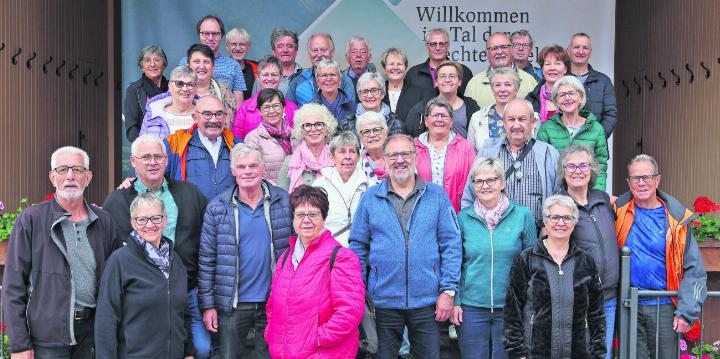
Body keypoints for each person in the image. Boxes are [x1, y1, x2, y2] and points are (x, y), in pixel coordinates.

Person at [349, 134, 462, 358]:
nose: (399, 160)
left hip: (427, 302)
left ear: (415, 156)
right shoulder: (371, 198)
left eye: (405, 154)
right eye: (393, 155)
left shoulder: (436, 195)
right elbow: (358, 247)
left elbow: (451, 244)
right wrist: (359, 290)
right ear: (385, 159)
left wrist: (448, 291)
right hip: (383, 302)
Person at [3, 146, 120, 358]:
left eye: (77, 169)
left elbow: (115, 283)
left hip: (91, 336)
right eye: (62, 169)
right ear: (52, 177)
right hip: (47, 338)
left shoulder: (105, 222)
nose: (70, 176)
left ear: (88, 177)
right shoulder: (32, 220)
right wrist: (20, 344)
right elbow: (13, 286)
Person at [102, 135, 210, 358]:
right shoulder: (117, 201)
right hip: (138, 296)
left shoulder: (190, 195)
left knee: (200, 348)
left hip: (184, 290)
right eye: (146, 157)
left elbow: (207, 243)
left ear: (166, 160)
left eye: (158, 156)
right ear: (133, 161)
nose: (153, 162)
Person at [198, 143, 292, 358]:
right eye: (241, 167)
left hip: (274, 302)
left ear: (262, 169)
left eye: (252, 166)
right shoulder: (217, 207)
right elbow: (206, 260)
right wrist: (208, 305)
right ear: (233, 171)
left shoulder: (283, 202)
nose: (247, 171)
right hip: (233, 304)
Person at [615, 154, 707, 359]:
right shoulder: (618, 212)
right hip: (628, 305)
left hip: (665, 307)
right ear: (628, 183)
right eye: (635, 178)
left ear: (657, 180)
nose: (641, 183)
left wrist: (686, 312)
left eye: (647, 177)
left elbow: (694, 271)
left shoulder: (677, 220)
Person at [265, 185, 365, 358]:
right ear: (293, 219)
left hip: (322, 353)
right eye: (300, 215)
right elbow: (272, 305)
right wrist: (272, 334)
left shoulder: (341, 258)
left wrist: (315, 339)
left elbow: (349, 312)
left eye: (313, 214)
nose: (306, 220)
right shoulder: (285, 258)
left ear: (324, 218)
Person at [451, 157, 536, 359]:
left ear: (502, 183)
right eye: (479, 181)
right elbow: (455, 263)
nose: (485, 186)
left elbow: (532, 264)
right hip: (471, 308)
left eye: (491, 180)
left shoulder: (522, 215)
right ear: (473, 185)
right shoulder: (463, 218)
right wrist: (456, 301)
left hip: (510, 307)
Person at [504, 194, 606, 358]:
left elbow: (596, 314)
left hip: (578, 353)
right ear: (545, 221)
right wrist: (518, 354)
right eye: (555, 217)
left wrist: (597, 354)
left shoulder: (586, 262)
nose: (561, 223)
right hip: (535, 353)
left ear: (574, 222)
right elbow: (512, 312)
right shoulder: (527, 259)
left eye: (567, 218)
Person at [95, 193, 193, 359]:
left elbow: (184, 312)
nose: (150, 225)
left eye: (155, 218)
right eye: (142, 220)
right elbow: (106, 321)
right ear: (133, 223)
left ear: (165, 220)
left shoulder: (176, 261)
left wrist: (188, 352)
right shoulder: (119, 261)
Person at [556, 144, 619, 359]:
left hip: (608, 297)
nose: (577, 171)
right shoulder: (559, 206)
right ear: (563, 171)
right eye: (571, 166)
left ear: (591, 169)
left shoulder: (603, 199)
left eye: (583, 165)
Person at [461, 98, 559, 227]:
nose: (516, 125)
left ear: (533, 122)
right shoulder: (488, 151)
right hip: (495, 238)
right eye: (511, 119)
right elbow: (470, 195)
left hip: (537, 237)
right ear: (503, 122)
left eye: (522, 119)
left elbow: (559, 199)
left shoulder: (549, 154)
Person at [536, 75, 609, 190]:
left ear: (580, 97)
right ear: (556, 101)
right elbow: (540, 163)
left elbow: (601, 164)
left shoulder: (596, 128)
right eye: (562, 95)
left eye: (571, 93)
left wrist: (597, 193)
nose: (567, 98)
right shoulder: (546, 128)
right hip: (556, 193)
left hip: (587, 193)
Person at [164, 96, 239, 200]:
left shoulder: (237, 145)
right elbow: (157, 181)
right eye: (207, 114)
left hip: (229, 214)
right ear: (195, 117)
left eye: (219, 114)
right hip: (193, 214)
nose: (214, 120)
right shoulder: (175, 143)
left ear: (226, 116)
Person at [414, 97, 476, 212]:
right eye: (435, 115)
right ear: (426, 121)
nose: (439, 119)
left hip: (455, 213)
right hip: (421, 214)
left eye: (444, 116)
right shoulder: (413, 148)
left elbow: (474, 182)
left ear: (452, 121)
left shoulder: (465, 147)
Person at [312, 131, 368, 247]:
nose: (347, 156)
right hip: (329, 249)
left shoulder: (369, 186)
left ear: (358, 157)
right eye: (342, 152)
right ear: (332, 157)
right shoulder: (320, 186)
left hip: (361, 249)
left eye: (352, 152)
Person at [179, 15, 246, 105]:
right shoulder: (186, 62)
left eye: (215, 34)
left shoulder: (234, 66)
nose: (210, 38)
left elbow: (239, 107)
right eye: (206, 33)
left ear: (222, 36)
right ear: (199, 35)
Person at [405, 61, 481, 138]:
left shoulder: (472, 108)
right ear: (436, 82)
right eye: (443, 76)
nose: (447, 80)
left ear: (460, 82)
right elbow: (409, 139)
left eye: (452, 76)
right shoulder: (421, 109)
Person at [465, 32, 538, 108]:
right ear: (487, 53)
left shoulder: (530, 82)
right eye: (494, 48)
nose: (499, 52)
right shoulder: (473, 85)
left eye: (504, 47)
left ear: (511, 49)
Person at [233, 56, 298, 139]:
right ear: (258, 77)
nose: (270, 78)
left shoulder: (292, 108)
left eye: (274, 74)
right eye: (265, 75)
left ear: (281, 77)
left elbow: (298, 139)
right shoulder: (245, 107)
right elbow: (237, 137)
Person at [277, 103, 337, 192]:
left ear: (327, 129)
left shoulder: (336, 159)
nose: (313, 129)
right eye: (307, 125)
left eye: (318, 124)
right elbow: (281, 197)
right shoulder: (290, 162)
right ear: (301, 131)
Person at [567, 33, 617, 137]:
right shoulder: (561, 80)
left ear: (590, 52)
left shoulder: (603, 81)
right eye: (576, 47)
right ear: (569, 51)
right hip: (563, 145)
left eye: (585, 48)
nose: (581, 51)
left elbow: (610, 115)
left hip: (594, 147)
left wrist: (597, 139)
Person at [286, 33, 355, 106]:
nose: (319, 55)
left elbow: (349, 113)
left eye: (323, 50)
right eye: (315, 50)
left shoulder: (345, 80)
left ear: (332, 52)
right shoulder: (298, 81)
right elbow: (287, 111)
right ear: (309, 53)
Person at [243, 88, 294, 184]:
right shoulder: (253, 138)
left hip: (296, 192)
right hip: (271, 194)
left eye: (276, 106)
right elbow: (252, 171)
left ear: (283, 108)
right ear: (260, 111)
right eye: (266, 107)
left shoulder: (295, 135)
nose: (271, 111)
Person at [405, 28, 472, 96]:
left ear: (447, 46)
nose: (438, 48)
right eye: (433, 44)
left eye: (442, 44)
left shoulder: (464, 72)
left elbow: (468, 102)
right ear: (426, 47)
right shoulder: (413, 74)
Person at [467, 67, 521, 151]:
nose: (502, 89)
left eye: (508, 84)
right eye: (498, 85)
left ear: (517, 88)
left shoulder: (530, 117)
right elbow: (470, 154)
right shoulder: (477, 118)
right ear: (492, 89)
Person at [125, 45, 169, 142]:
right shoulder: (134, 90)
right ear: (142, 66)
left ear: (164, 64)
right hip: (146, 147)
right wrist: (145, 145)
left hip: (173, 145)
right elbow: (132, 127)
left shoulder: (173, 88)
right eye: (147, 60)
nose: (152, 64)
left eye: (157, 60)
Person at [139, 66, 198, 139]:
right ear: (170, 86)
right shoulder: (153, 113)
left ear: (196, 88)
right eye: (179, 84)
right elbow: (142, 145)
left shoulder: (205, 115)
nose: (185, 89)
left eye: (190, 84)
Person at [186, 43, 236, 125]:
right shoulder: (178, 89)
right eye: (196, 62)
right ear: (188, 66)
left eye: (206, 62)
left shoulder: (224, 91)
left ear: (213, 67)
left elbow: (228, 125)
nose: (201, 66)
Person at [380, 47, 429, 125]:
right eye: (391, 64)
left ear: (405, 68)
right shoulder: (377, 92)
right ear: (385, 69)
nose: (395, 67)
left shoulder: (419, 93)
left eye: (399, 64)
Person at [525, 45, 572, 123]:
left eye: (557, 63)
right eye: (547, 64)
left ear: (565, 69)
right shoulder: (531, 99)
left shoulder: (575, 97)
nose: (552, 68)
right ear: (542, 69)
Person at [311, 59, 357, 132]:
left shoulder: (353, 107)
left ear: (340, 80)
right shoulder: (310, 109)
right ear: (317, 81)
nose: (329, 79)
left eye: (333, 75)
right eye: (324, 75)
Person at [356, 111, 390, 186]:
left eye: (377, 130)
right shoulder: (355, 163)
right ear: (360, 137)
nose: (372, 135)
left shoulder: (399, 156)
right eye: (366, 132)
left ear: (385, 134)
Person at [226, 27, 257, 100]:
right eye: (234, 44)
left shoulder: (256, 67)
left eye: (242, 44)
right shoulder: (221, 68)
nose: (238, 48)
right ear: (227, 46)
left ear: (248, 47)